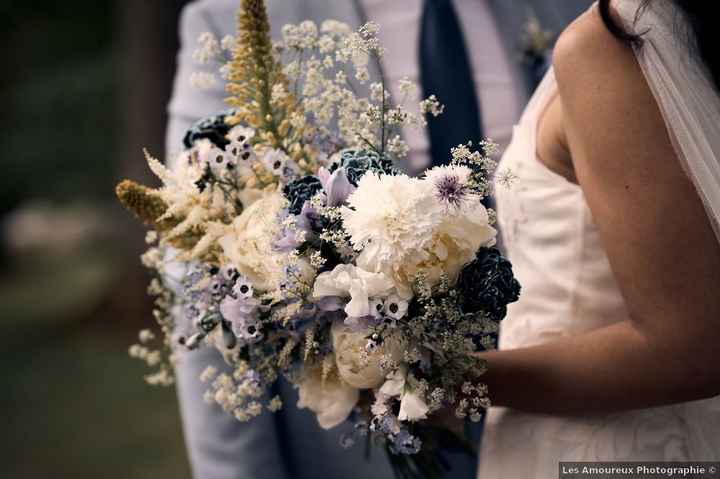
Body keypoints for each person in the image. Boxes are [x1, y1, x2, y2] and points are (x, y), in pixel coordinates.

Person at [165, 1, 591, 477]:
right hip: (363, 450)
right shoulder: (227, 20)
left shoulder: (571, 10)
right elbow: (200, 273)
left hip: (570, 410)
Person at [476, 1, 720, 477]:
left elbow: (691, 349)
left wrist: (451, 378)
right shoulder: (682, 26)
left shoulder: (609, 44)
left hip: (598, 449)